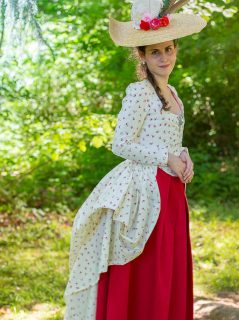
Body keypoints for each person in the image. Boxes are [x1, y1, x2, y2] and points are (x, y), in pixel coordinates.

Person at [63, 1, 207, 319]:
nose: (164, 57)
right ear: (142, 55)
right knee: (147, 265)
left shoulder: (175, 94)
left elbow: (172, 142)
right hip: (143, 192)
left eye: (168, 49)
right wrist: (165, 157)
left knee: (167, 264)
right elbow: (121, 143)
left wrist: (184, 158)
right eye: (155, 52)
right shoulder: (139, 92)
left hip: (171, 192)